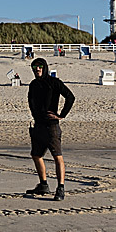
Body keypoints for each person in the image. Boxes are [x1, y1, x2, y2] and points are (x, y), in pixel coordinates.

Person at [25, 57, 75, 201]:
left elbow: (70, 97)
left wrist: (61, 115)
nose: (37, 69)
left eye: (40, 67)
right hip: (38, 125)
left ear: (45, 67)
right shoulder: (33, 85)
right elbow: (30, 101)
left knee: (57, 157)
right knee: (36, 155)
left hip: (52, 127)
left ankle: (61, 188)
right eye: (34, 67)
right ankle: (43, 185)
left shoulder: (54, 83)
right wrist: (35, 115)